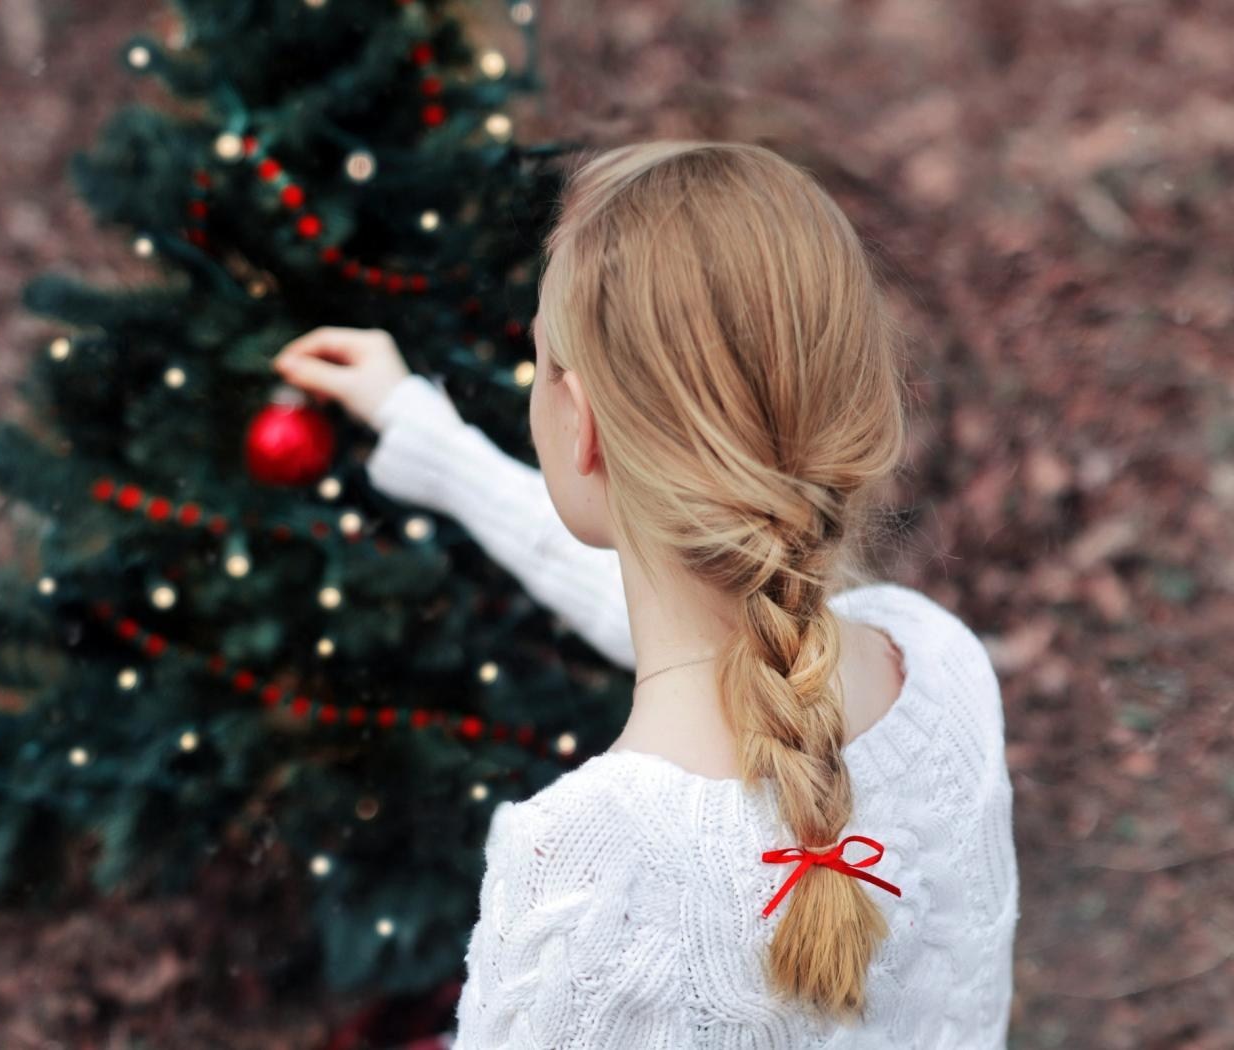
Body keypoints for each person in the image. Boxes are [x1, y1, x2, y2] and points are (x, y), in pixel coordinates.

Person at [273, 140, 1019, 1048]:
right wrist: (423, 434)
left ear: (579, 425)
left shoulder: (588, 875)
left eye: (541, 360)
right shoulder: (940, 667)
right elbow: (692, 596)